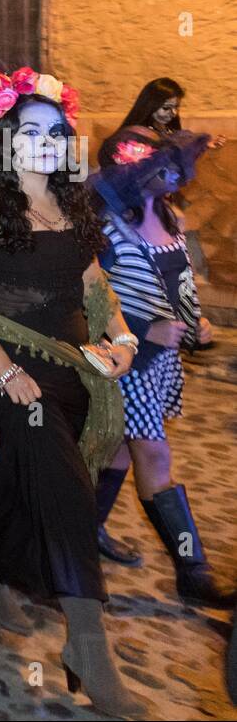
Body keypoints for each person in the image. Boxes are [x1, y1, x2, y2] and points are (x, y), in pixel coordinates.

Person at [0, 79, 147, 718]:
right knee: (67, 491)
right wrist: (5, 373)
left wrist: (123, 340)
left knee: (22, 481)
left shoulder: (74, 204)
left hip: (73, 371)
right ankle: (88, 644)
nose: (42, 143)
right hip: (13, 372)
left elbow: (95, 287)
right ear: (7, 142)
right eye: (28, 131)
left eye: (54, 133)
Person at [87, 129, 233, 607]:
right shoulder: (107, 226)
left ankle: (79, 541)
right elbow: (88, 295)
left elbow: (180, 283)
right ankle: (193, 571)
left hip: (161, 362)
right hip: (125, 359)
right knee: (155, 458)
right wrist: (144, 331)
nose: (170, 173)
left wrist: (195, 324)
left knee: (121, 455)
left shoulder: (170, 215)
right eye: (157, 165)